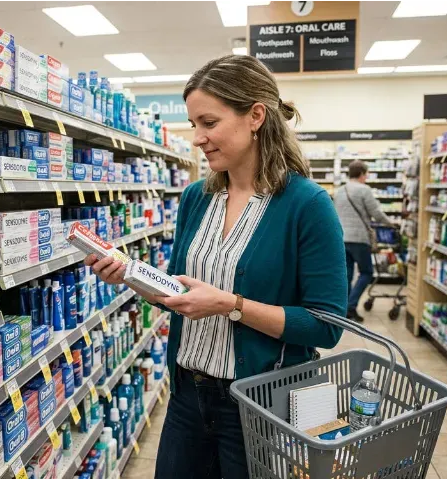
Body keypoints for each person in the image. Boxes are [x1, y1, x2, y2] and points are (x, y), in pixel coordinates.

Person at [83, 55, 347, 479]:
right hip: (188, 395)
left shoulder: (307, 205)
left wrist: (231, 304)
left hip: (260, 404)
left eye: (209, 122)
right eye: (193, 124)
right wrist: (132, 276)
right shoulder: (196, 198)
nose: (197, 138)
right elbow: (180, 295)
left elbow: (325, 325)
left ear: (256, 116)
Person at [333, 160, 395, 322]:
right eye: (366, 174)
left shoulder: (340, 191)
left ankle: (342, 309)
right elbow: (376, 213)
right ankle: (351, 306)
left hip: (341, 238)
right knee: (366, 273)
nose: (367, 177)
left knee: (346, 275)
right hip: (359, 239)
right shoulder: (364, 190)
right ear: (361, 174)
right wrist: (391, 224)